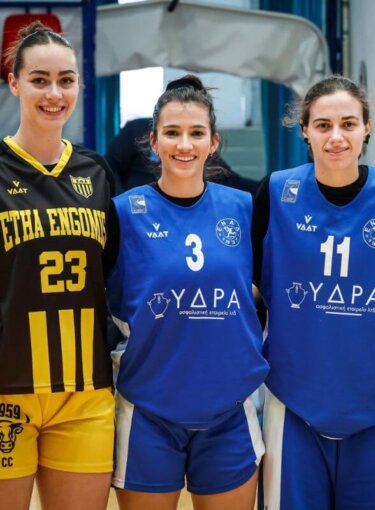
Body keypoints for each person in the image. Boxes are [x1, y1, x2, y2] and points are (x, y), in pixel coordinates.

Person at [254, 75, 375, 510]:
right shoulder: (276, 192)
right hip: (294, 406)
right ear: (305, 131)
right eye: (323, 125)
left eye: (348, 124)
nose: (336, 137)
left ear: (367, 127)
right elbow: (249, 292)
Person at [106, 75, 269, 510]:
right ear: (153, 142)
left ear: (213, 142)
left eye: (196, 133)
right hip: (148, 408)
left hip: (229, 410)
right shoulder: (123, 213)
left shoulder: (244, 207)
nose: (184, 144)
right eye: (172, 133)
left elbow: (270, 287)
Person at [0, 22, 115, 510]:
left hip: (85, 391)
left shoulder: (96, 171)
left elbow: (115, 274)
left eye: (66, 80)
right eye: (39, 80)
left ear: (79, 86)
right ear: (14, 83)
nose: (54, 93)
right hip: (7, 388)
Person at [106, 117, 260, 195]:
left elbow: (230, 179)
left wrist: (269, 187)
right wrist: (121, 201)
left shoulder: (201, 144)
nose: (184, 146)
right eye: (171, 133)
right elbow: (110, 168)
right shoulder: (137, 130)